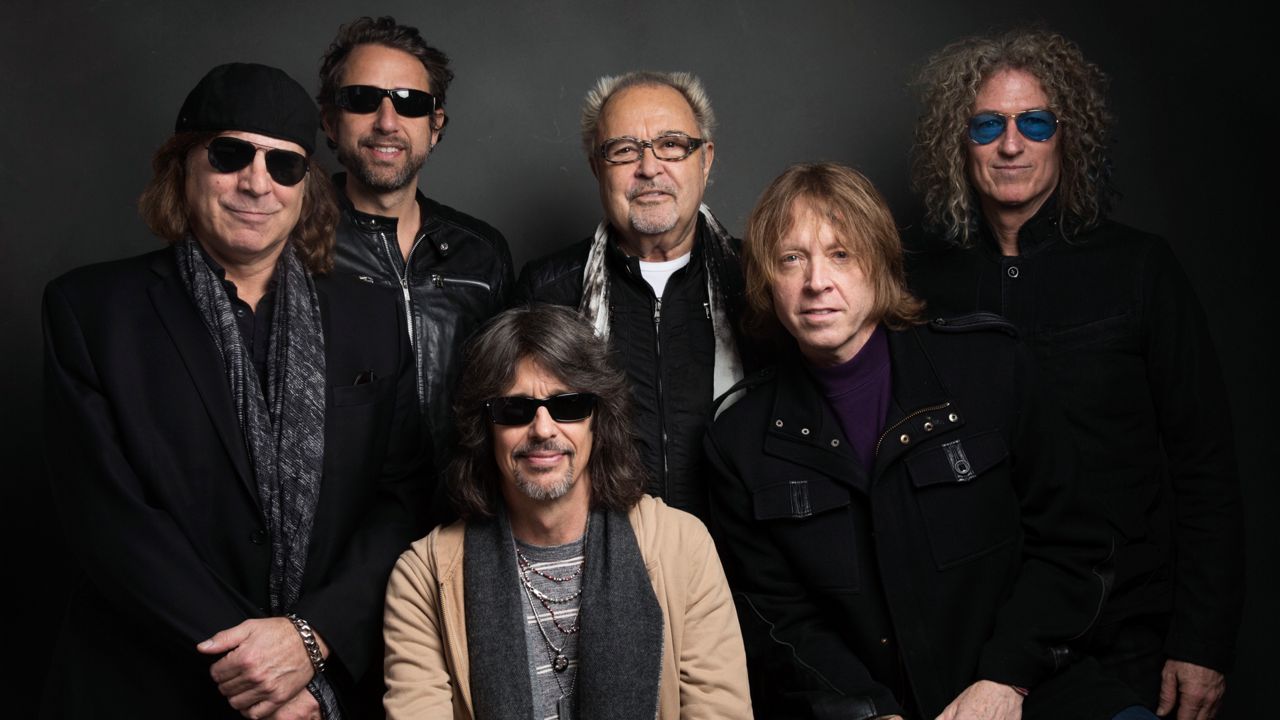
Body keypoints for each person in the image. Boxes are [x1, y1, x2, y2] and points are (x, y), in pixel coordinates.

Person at [42, 63, 429, 719]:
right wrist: (258, 668)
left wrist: (312, 638)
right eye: (231, 155)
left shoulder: (373, 318)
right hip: (146, 687)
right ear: (182, 165)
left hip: (321, 687)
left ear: (307, 188)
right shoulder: (91, 311)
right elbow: (109, 519)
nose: (258, 182)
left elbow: (404, 497)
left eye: (284, 165)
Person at [706, 163, 1146, 720]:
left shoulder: (988, 369)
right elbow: (779, 619)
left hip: (1036, 689)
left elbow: (1074, 545)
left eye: (841, 254)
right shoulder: (739, 441)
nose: (817, 281)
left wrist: (1006, 678)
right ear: (768, 278)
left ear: (881, 263)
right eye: (792, 258)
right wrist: (870, 712)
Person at [907, 29, 1244, 720]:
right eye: (986, 125)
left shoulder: (1140, 269)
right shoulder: (919, 288)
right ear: (958, 142)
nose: (1011, 145)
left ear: (1067, 136)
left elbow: (1204, 469)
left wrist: (1202, 641)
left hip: (1129, 640)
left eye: (1034, 122)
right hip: (978, 649)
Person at [383, 303, 751, 719]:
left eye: (568, 405)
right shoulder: (424, 578)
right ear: (484, 428)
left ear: (599, 418)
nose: (542, 429)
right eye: (514, 409)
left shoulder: (682, 547)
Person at [514, 71, 749, 520]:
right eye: (624, 151)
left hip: (744, 560)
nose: (649, 167)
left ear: (706, 160)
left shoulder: (758, 281)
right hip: (604, 554)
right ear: (596, 167)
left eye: (672, 145)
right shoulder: (545, 291)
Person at [318, 16, 514, 466]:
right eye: (363, 100)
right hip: (342, 526)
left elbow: (510, 396)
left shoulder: (481, 252)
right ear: (330, 121)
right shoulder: (295, 244)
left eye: (409, 103)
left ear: (435, 123)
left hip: (465, 517)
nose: (387, 122)